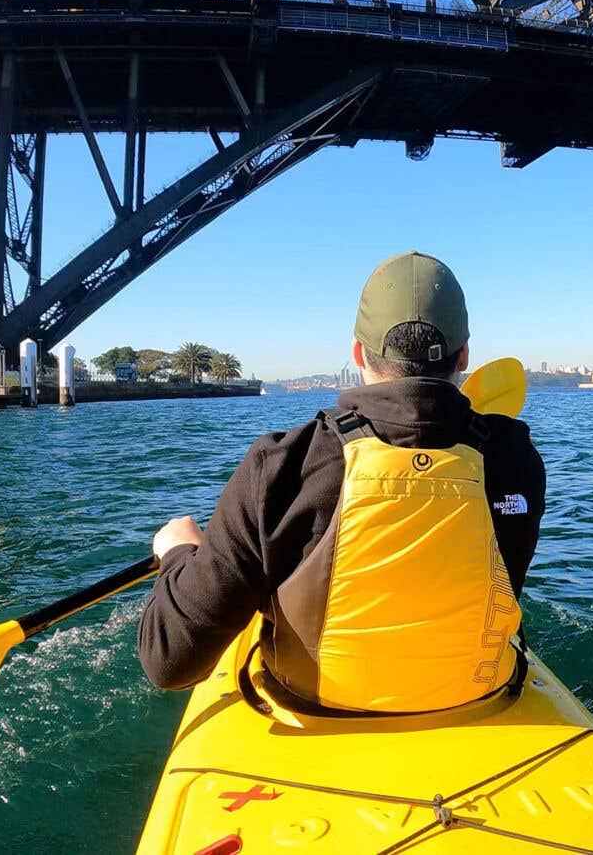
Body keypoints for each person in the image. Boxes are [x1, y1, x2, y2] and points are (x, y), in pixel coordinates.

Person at [138, 252, 546, 713]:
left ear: (357, 354)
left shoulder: (282, 466)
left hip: (316, 712)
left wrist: (178, 554)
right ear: (466, 356)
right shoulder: (517, 459)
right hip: (480, 702)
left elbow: (170, 661)